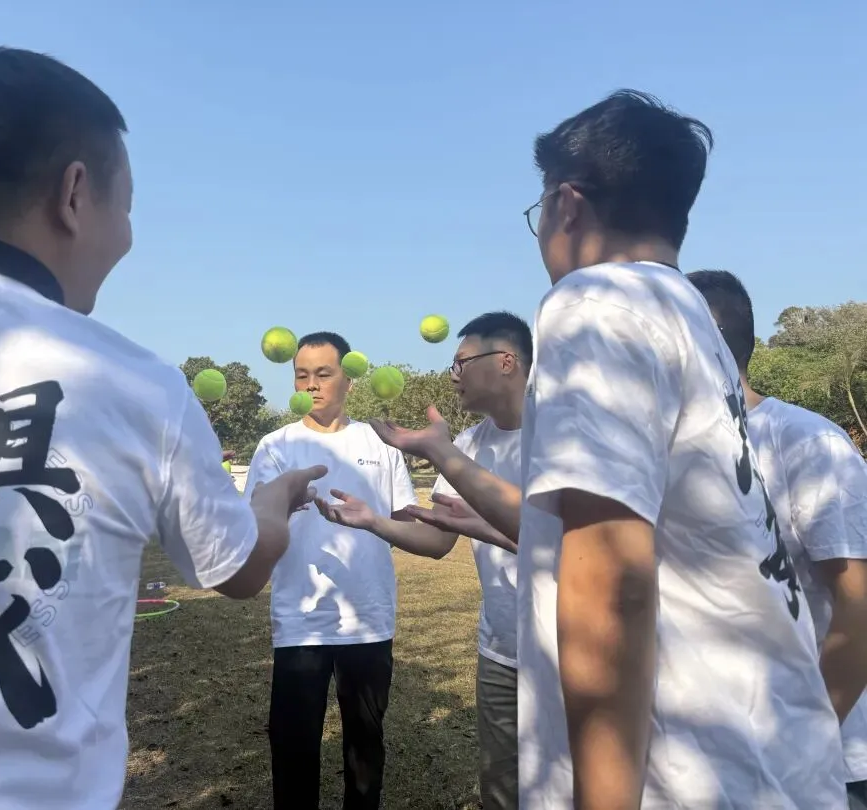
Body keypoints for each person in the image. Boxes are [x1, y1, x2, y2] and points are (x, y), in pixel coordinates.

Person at [0, 47, 324, 810]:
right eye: (125, 206)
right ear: (74, 193)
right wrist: (272, 502)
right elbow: (236, 569)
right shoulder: (134, 385)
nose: (127, 236)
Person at [370, 90, 846, 809]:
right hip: (763, 764)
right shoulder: (690, 321)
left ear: (566, 204)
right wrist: (448, 456)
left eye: (537, 210)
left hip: (686, 778)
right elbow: (581, 536)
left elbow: (610, 576)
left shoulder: (595, 303)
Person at [316, 311, 529, 810]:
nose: (452, 375)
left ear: (505, 361)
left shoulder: (566, 432)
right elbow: (437, 541)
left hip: (570, 648)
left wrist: (482, 521)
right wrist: (373, 521)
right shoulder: (467, 445)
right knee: (501, 789)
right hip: (501, 649)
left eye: (461, 362)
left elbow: (571, 543)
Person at [689, 268, 867, 806]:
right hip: (725, 761)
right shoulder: (678, 453)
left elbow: (858, 606)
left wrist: (803, 746)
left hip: (825, 766)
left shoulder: (808, 443)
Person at [245, 331, 418, 810]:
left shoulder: (380, 443)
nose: (312, 384)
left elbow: (403, 523)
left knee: (365, 742)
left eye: (324, 373)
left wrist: (377, 520)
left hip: (368, 616)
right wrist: (282, 506)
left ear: (349, 380)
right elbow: (253, 525)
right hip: (300, 618)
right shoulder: (276, 446)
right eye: (302, 375)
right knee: (293, 744)